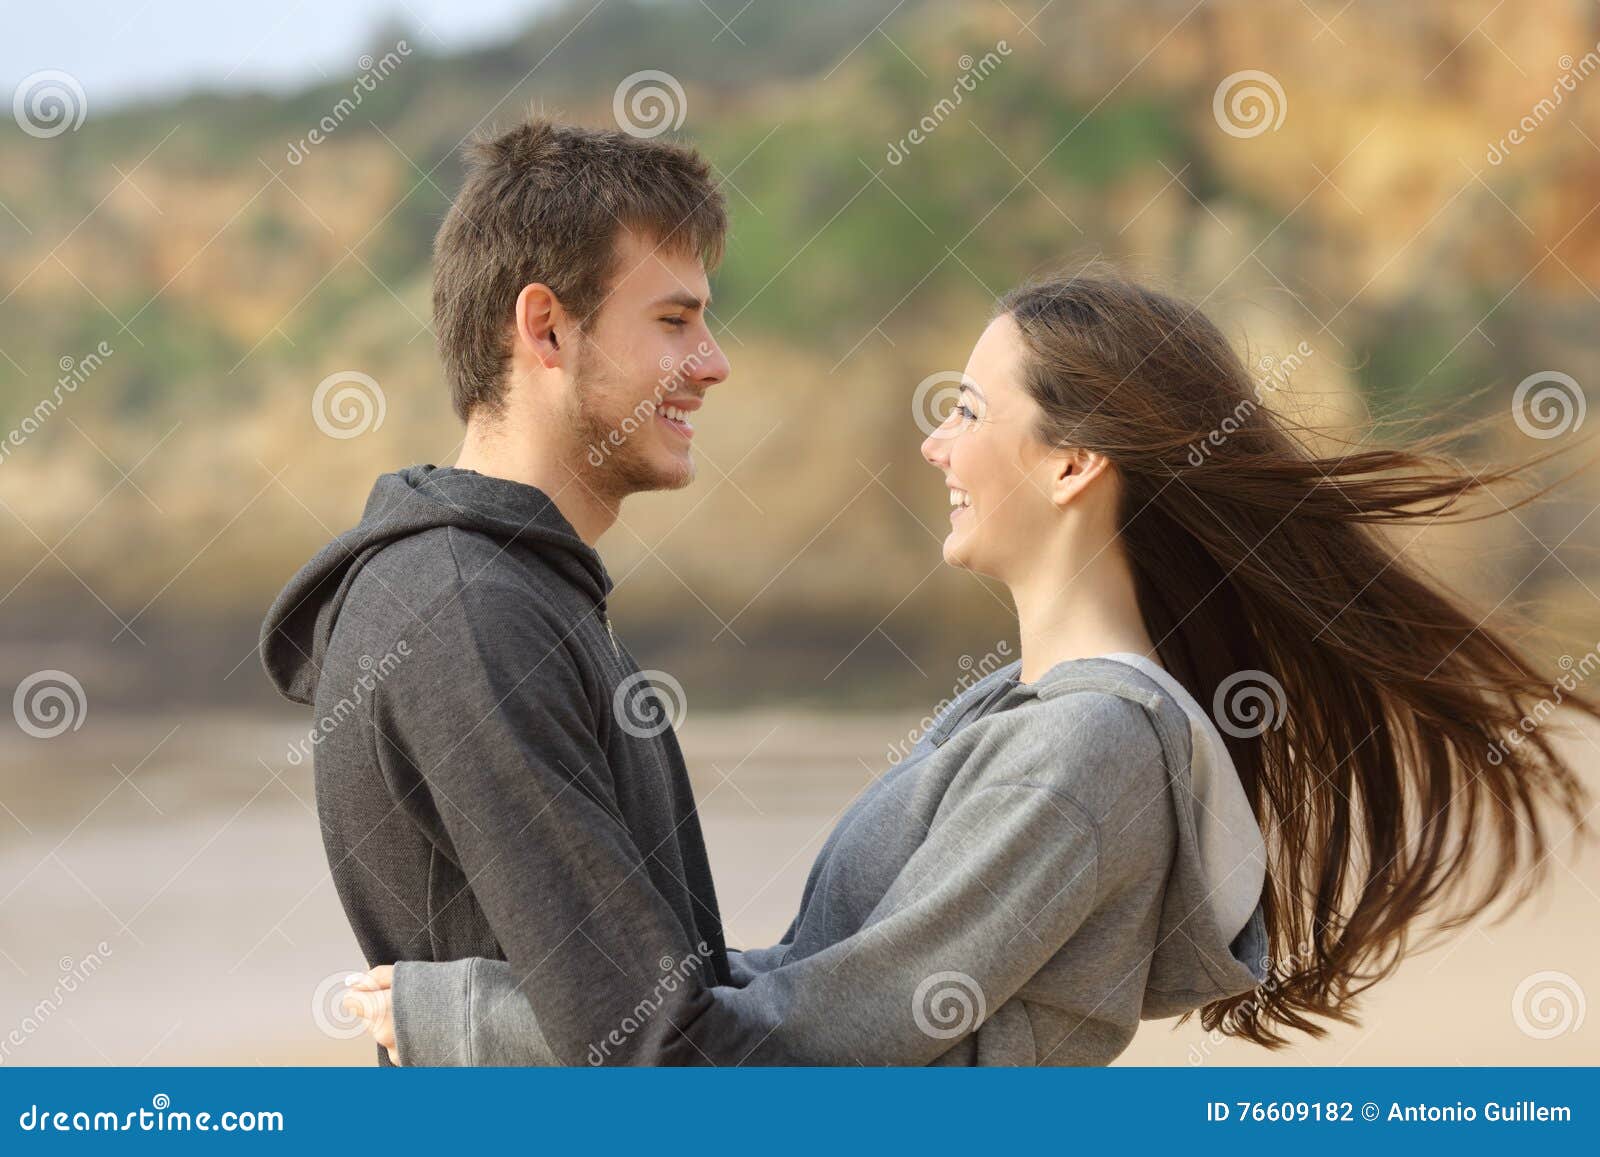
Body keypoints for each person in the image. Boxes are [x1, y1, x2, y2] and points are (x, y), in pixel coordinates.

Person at [344, 273, 1595, 1064]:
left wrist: (463, 1016)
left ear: (1070, 464)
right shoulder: (1017, 713)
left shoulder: (1086, 752)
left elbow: (827, 1042)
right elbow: (809, 986)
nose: (937, 441)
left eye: (971, 411)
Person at [259, 116, 734, 1065]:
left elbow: (664, 1006)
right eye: (675, 322)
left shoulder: (514, 588)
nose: (714, 361)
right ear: (546, 327)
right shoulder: (471, 612)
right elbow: (652, 1055)